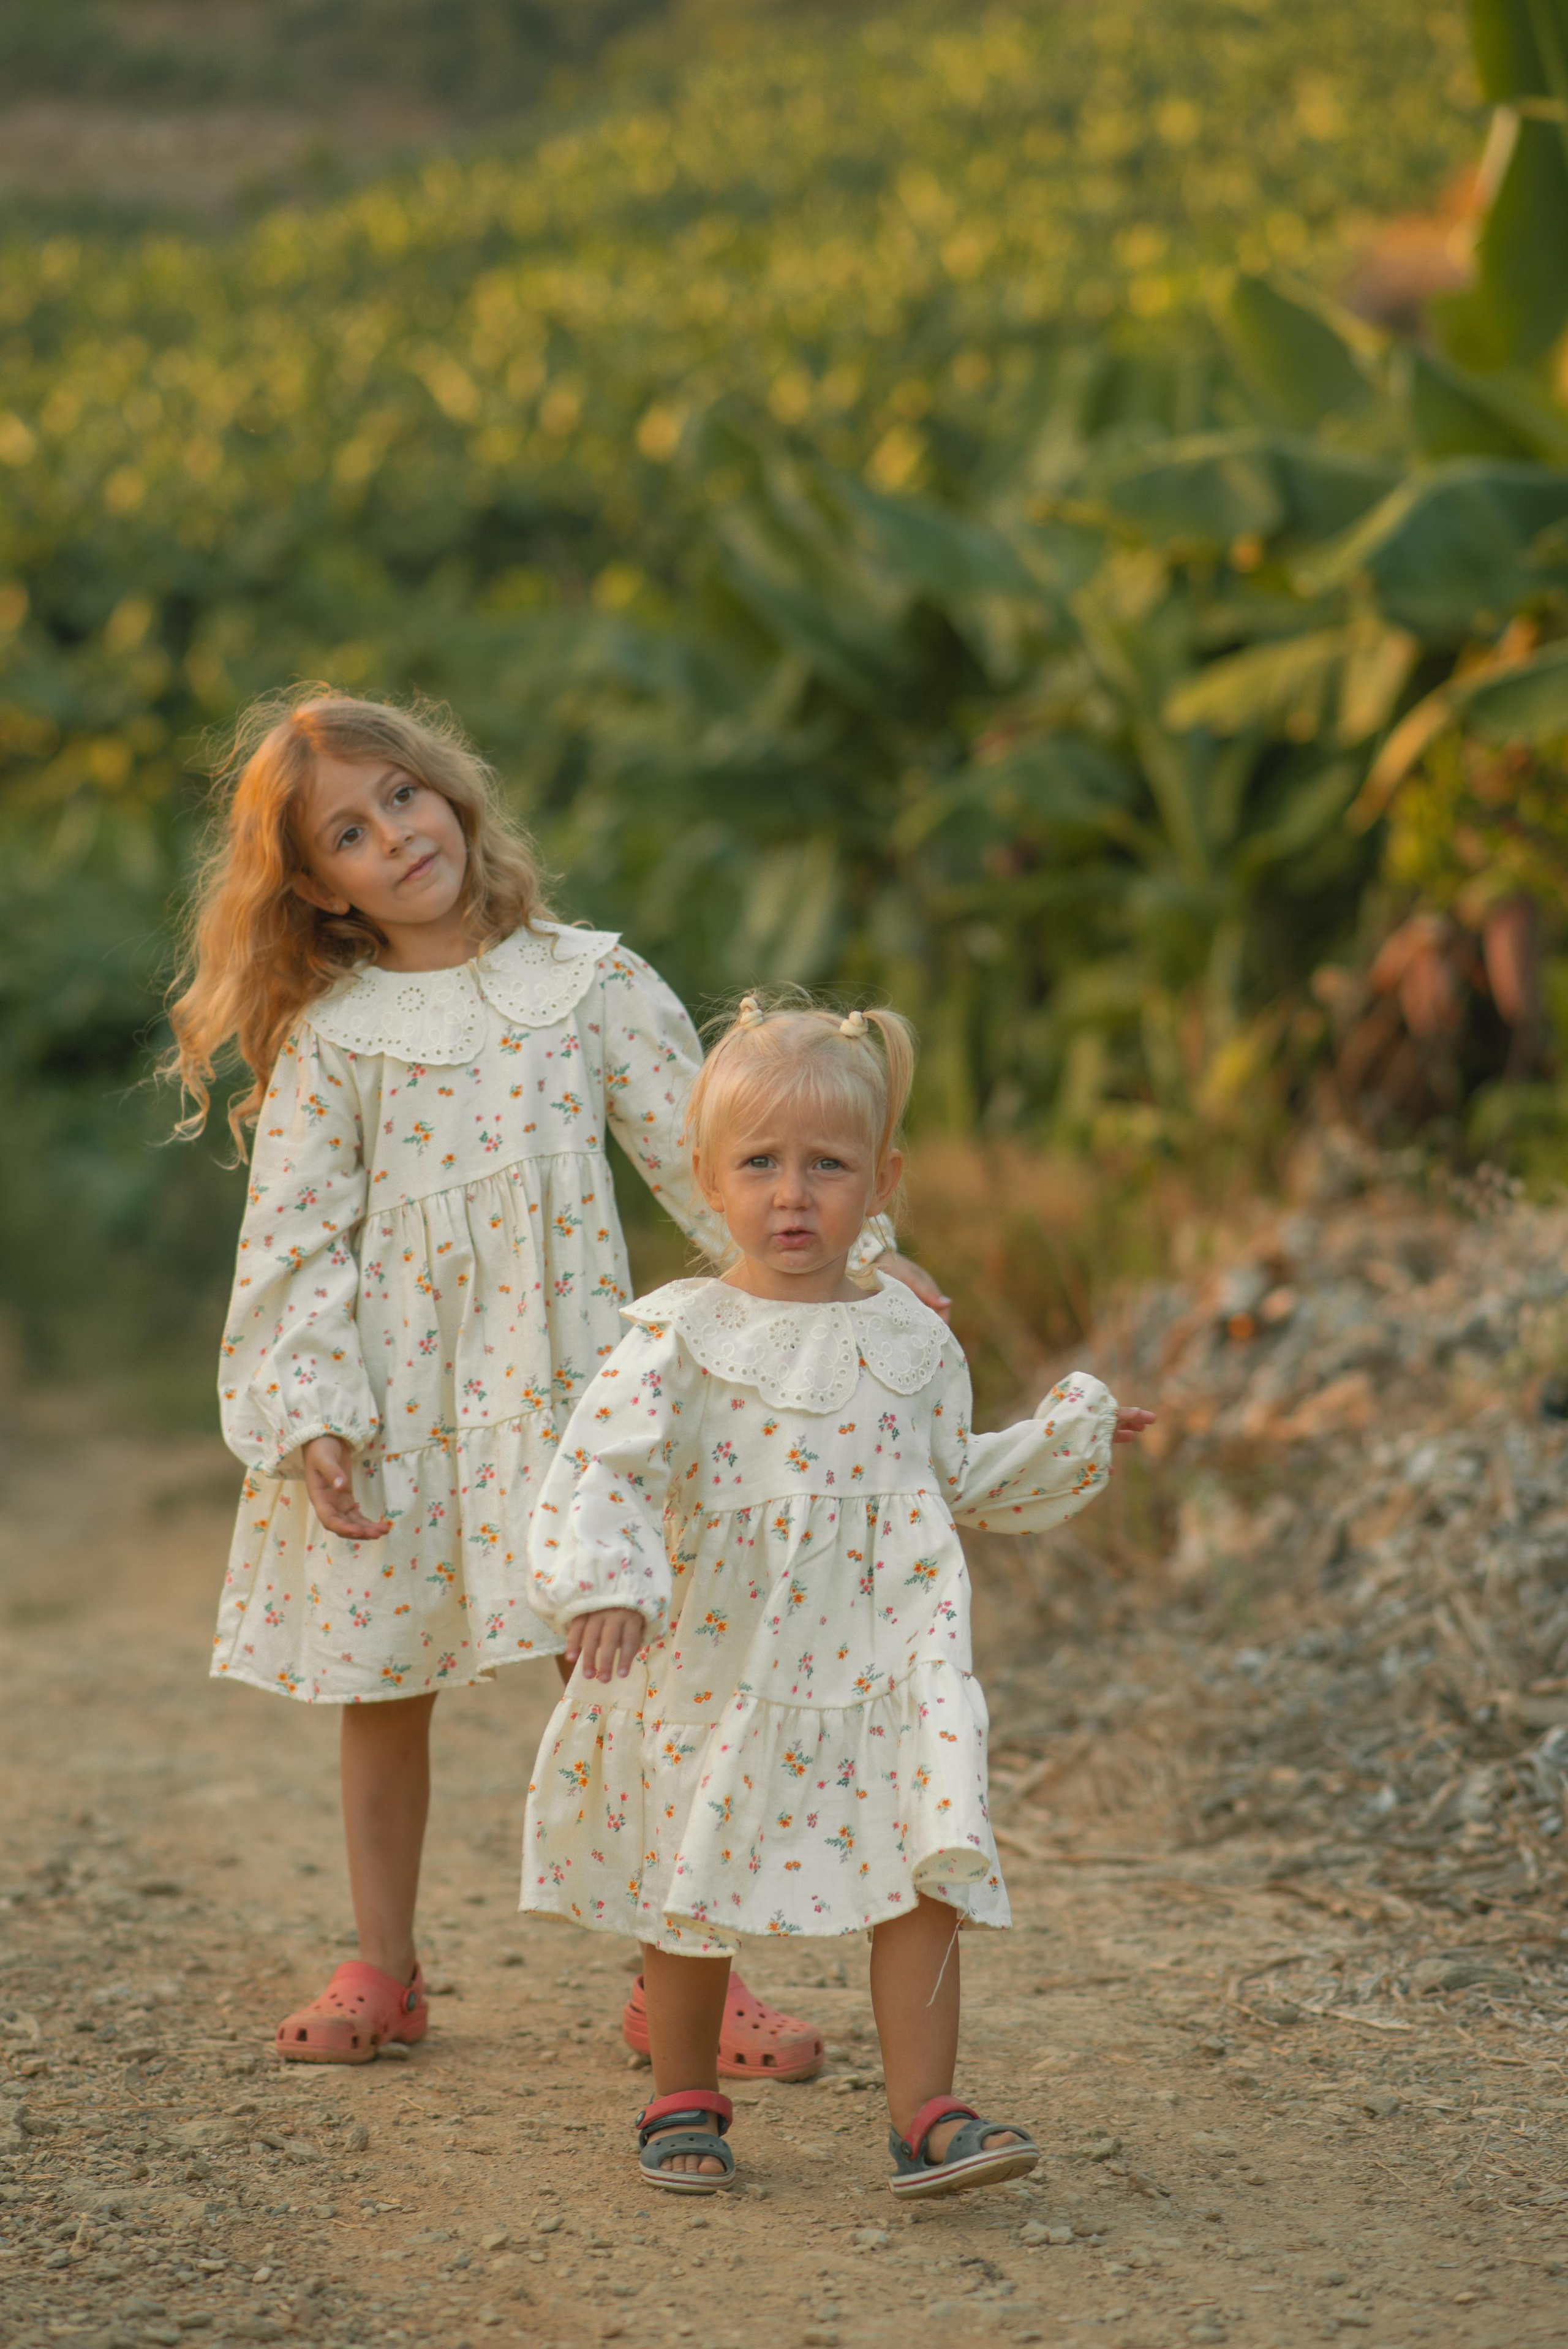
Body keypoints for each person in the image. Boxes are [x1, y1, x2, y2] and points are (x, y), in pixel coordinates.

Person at [166, 687, 946, 2070]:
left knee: (645, 1681)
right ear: (321, 887)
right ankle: (384, 1966)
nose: (394, 836)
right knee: (384, 1680)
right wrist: (313, 1411)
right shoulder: (336, 1037)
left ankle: (683, 1983)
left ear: (450, 793)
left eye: (401, 796)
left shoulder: (589, 983)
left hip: (585, 1397)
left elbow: (712, 1165)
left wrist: (864, 1265)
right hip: (403, 1407)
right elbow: (296, 1237)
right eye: (348, 833)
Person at [523, 993, 1154, 2195]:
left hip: (885, 1655)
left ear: (882, 1183)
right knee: (691, 1863)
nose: (793, 1194)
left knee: (923, 1861)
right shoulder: (678, 1334)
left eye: (827, 1165)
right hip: (726, 1651)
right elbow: (604, 1465)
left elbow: (950, 1474)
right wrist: (605, 1581)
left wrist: (1063, 1440)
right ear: (708, 1181)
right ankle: (682, 2092)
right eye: (760, 1163)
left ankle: (928, 2113)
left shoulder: (913, 1337)